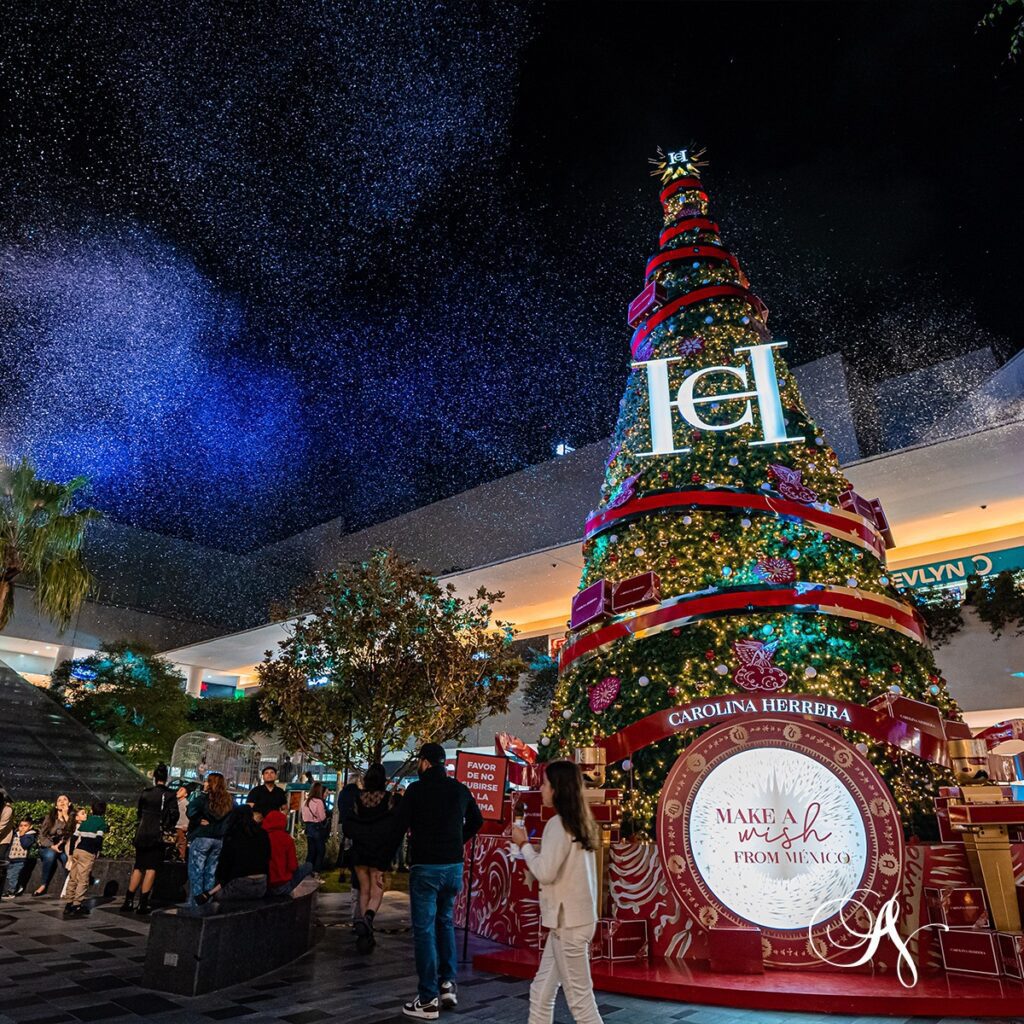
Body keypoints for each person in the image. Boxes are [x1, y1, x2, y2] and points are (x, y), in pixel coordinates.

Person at [375, 743, 482, 1021]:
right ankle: (447, 984)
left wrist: (382, 864)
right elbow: (477, 819)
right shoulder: (459, 789)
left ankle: (427, 999)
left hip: (426, 867)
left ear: (424, 762)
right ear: (443, 763)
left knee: (424, 931)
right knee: (445, 922)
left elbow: (397, 828)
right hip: (453, 867)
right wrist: (458, 840)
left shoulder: (416, 791)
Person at [511, 761, 603, 1024]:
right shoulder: (580, 822)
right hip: (573, 921)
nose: (541, 789)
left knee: (580, 1003)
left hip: (567, 924)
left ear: (557, 789)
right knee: (541, 991)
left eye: (545, 784)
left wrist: (524, 845)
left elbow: (545, 872)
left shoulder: (557, 824)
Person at [344, 763, 398, 954]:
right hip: (378, 850)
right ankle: (368, 918)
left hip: (360, 849)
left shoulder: (358, 798)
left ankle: (364, 931)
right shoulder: (389, 799)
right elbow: (393, 825)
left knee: (364, 889)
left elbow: (350, 822)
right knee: (377, 889)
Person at [121, 764, 178, 915]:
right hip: (156, 835)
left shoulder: (146, 793)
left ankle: (128, 900)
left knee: (139, 866)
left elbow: (139, 813)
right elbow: (173, 815)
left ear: (154, 777)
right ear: (166, 778)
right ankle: (143, 902)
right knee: (151, 868)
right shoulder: (170, 794)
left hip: (142, 832)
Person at [195, 805, 270, 907]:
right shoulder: (263, 834)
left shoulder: (233, 835)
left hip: (241, 884)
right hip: (261, 884)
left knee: (218, 899)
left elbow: (225, 865)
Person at [186, 772, 233, 905]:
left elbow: (190, 810)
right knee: (211, 873)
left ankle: (195, 903)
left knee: (196, 872)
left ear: (212, 783)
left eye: (207, 781)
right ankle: (208, 901)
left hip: (202, 837)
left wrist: (198, 820)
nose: (205, 784)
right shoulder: (229, 801)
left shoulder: (203, 799)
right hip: (219, 839)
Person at [64, 800, 107, 918]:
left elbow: (74, 838)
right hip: (88, 853)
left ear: (92, 810)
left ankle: (68, 903)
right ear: (104, 812)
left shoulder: (85, 822)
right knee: (83, 879)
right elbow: (99, 839)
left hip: (77, 851)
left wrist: (72, 852)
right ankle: (77, 904)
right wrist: (97, 851)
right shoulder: (101, 823)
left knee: (73, 877)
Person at [262, 809, 314, 895]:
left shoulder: (261, 837)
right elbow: (293, 866)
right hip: (283, 885)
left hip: (265, 885)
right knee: (309, 865)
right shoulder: (287, 839)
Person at [32, 795, 75, 896]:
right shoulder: (50, 817)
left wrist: (65, 815)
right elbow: (42, 835)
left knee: (66, 859)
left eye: (65, 800)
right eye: (59, 800)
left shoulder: (72, 817)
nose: (62, 802)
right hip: (48, 846)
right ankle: (43, 884)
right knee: (50, 855)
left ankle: (68, 887)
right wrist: (52, 846)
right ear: (56, 805)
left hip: (63, 847)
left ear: (69, 804)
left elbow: (72, 832)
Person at [2, 817, 38, 897]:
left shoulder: (30, 836)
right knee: (10, 875)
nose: (22, 827)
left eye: (25, 826)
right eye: (21, 825)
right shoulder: (15, 834)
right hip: (11, 858)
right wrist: (7, 856)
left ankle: (12, 891)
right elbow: (11, 846)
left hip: (20, 860)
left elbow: (25, 845)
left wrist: (22, 836)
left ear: (30, 827)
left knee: (13, 875)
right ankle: (17, 887)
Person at [301, 781, 328, 874]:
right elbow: (322, 817)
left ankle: (307, 871)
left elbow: (303, 816)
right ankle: (316, 871)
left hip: (308, 827)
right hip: (317, 827)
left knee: (311, 851)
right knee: (320, 851)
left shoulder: (306, 801)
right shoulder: (319, 801)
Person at [0, 789, 13, 896]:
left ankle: (3, 888)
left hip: (3, 839)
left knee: (1, 862)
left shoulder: (7, 809)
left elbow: (1, 827)